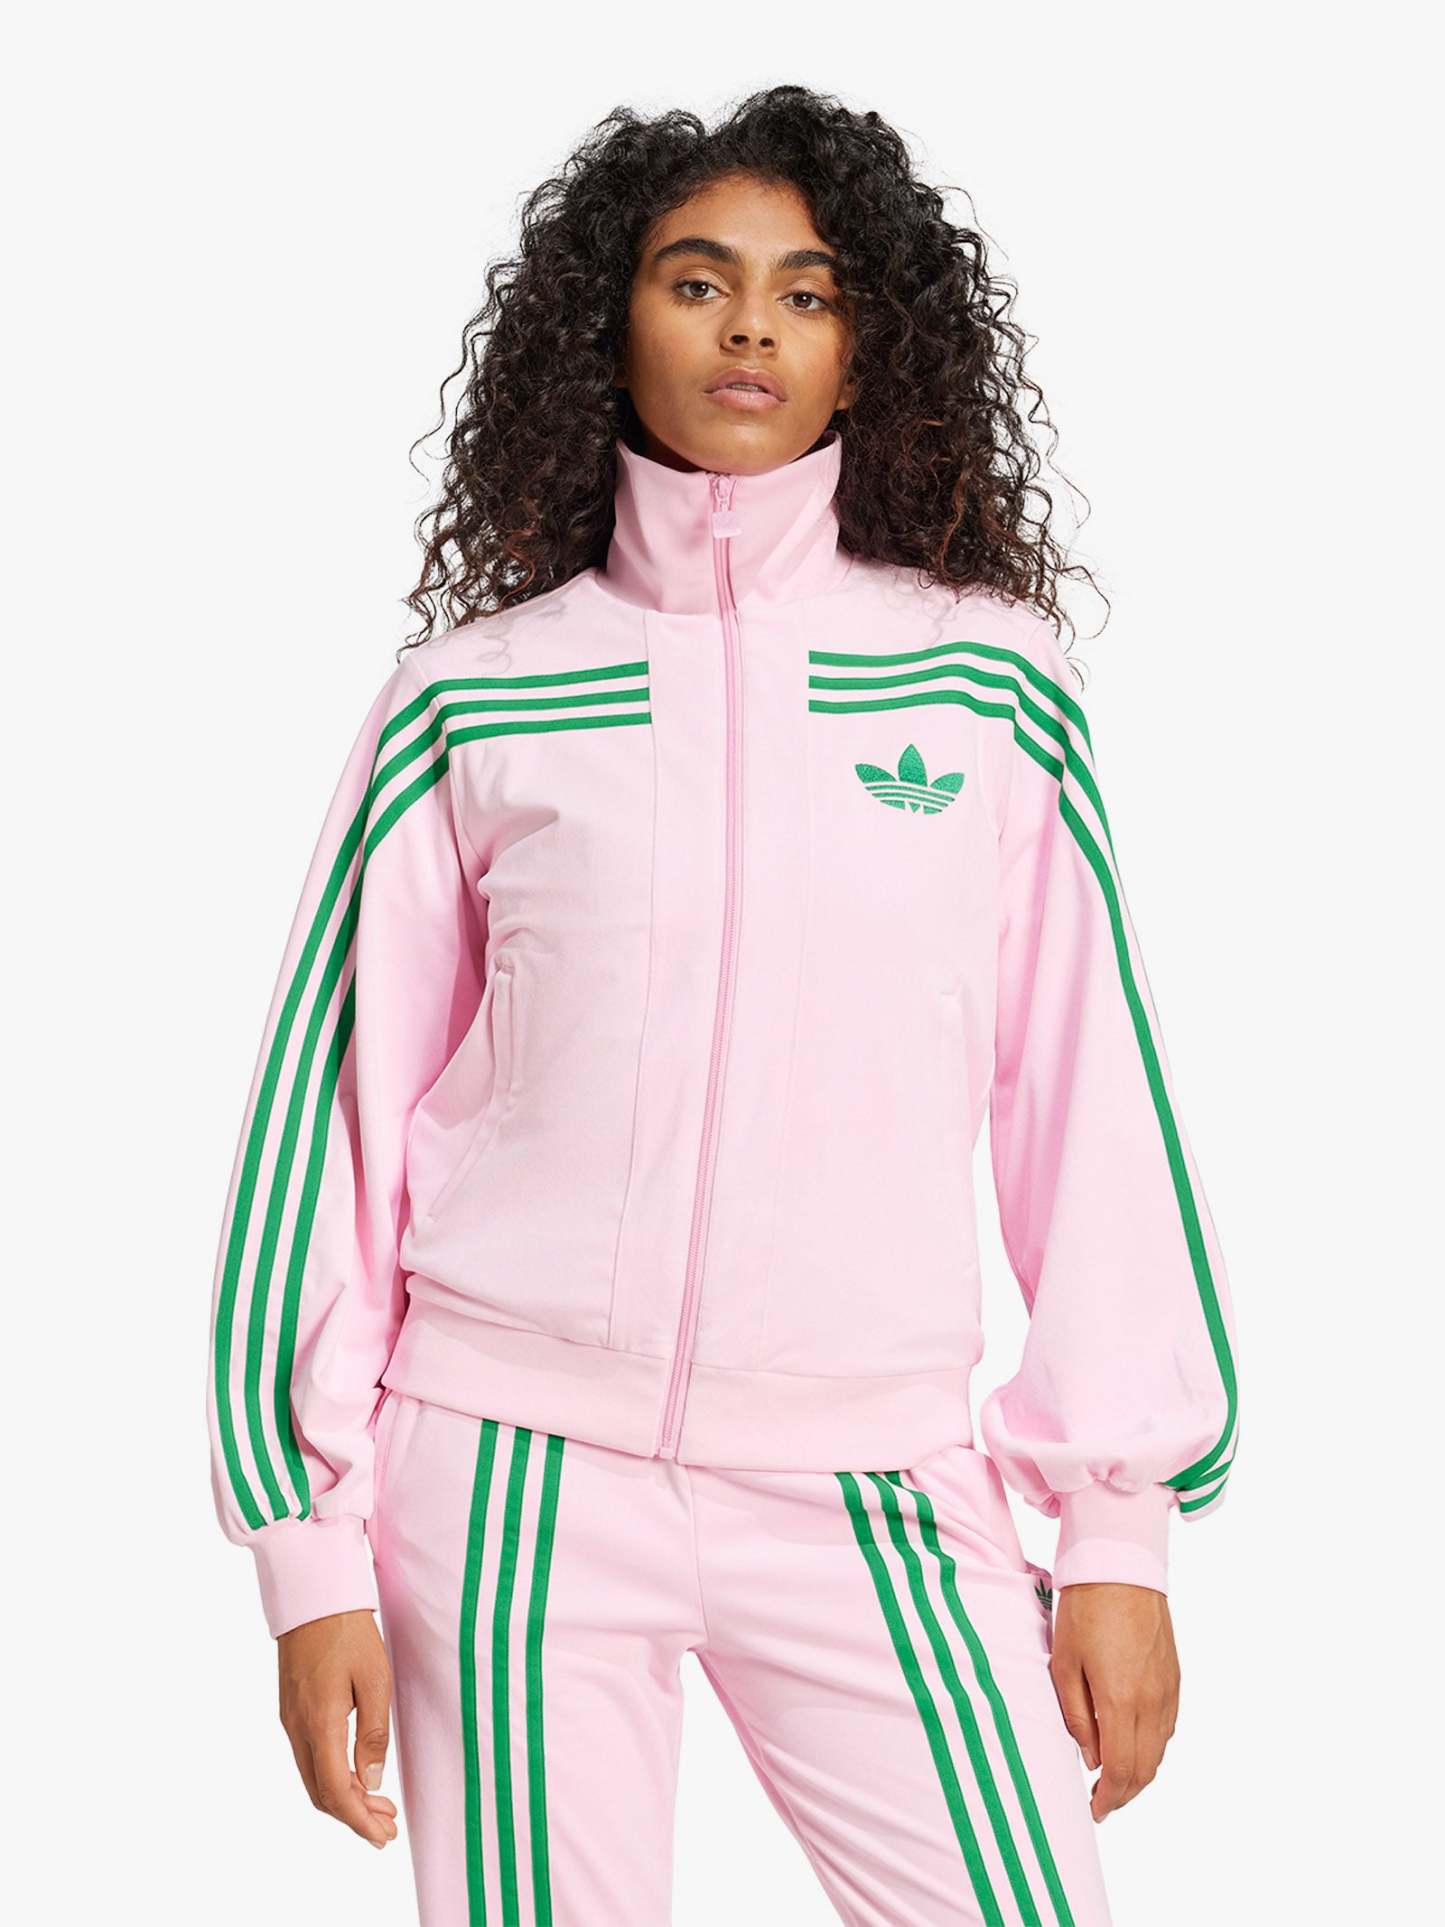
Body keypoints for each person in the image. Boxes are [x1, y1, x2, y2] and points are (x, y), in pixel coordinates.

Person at [205, 84, 1239, 1926]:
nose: (750, 325)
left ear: (867, 349)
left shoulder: (984, 686)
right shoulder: (473, 700)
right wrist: (310, 1556)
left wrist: (1115, 1530)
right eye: (696, 281)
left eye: (806, 292)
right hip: (509, 1476)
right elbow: (330, 1124)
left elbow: (1089, 1105)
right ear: (606, 325)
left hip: (876, 1478)